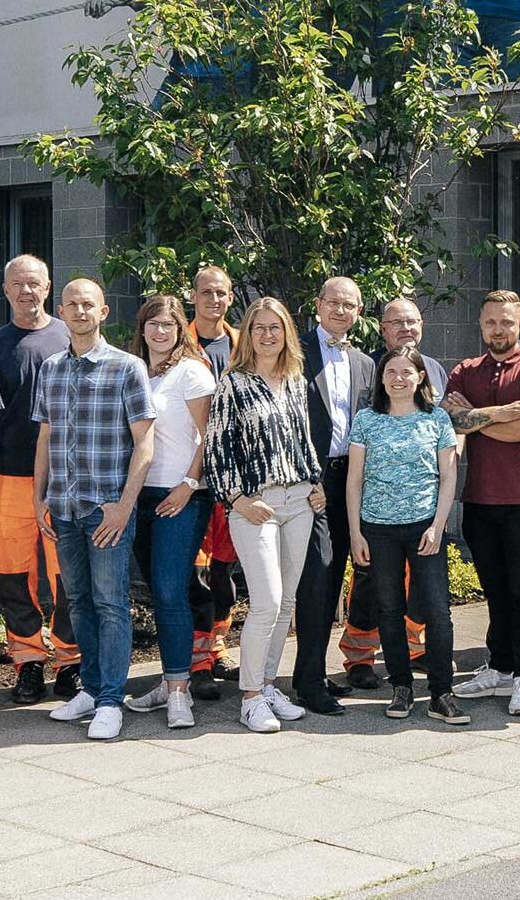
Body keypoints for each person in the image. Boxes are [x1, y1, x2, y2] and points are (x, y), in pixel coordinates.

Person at [33, 279, 158, 741]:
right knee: (78, 602)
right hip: (64, 508)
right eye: (72, 305)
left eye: (89, 304)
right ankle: (89, 688)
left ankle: (110, 700)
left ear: (103, 311)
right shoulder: (50, 369)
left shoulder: (127, 367)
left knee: (110, 604)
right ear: (61, 311)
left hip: (106, 512)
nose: (80, 311)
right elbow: (46, 436)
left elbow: (145, 443)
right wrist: (38, 497)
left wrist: (124, 507)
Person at [206, 298, 328, 733]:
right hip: (255, 506)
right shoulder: (233, 384)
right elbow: (217, 452)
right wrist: (238, 500)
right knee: (267, 602)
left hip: (299, 502)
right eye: (259, 327)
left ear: (286, 333)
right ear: (248, 334)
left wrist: (315, 482)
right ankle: (250, 697)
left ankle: (269, 685)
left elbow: (302, 439)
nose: (267, 335)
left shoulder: (294, 379)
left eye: (275, 327)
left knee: (286, 602)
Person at [442, 291, 520, 716]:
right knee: (494, 590)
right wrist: (503, 412)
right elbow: (452, 420)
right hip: (479, 499)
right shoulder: (465, 370)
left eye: (506, 322)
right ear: (480, 323)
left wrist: (478, 415)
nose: (498, 329)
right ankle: (501, 667)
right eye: (491, 322)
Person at [348, 345, 467, 724]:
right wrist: (356, 533)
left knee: (437, 610)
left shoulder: (437, 419)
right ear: (381, 379)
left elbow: (448, 477)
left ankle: (442, 693)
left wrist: (438, 525)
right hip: (378, 529)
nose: (399, 378)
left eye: (406, 372)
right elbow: (354, 480)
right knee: (389, 609)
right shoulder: (366, 420)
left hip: (425, 527)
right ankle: (401, 687)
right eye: (391, 372)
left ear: (420, 377)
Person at [0, 255, 78, 705]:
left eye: (34, 283)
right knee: (14, 577)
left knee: (68, 576)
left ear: (48, 287)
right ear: (5, 290)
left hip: (66, 480)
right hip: (8, 480)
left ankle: (71, 662)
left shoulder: (70, 338)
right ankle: (28, 662)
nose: (26, 291)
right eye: (17, 284)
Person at [120, 295, 213, 730]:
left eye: (169, 325)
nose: (160, 332)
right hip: (139, 494)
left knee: (171, 590)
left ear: (180, 330)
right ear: (142, 328)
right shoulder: (134, 370)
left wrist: (188, 485)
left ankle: (179, 690)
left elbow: (209, 436)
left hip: (181, 496)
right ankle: (168, 680)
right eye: (153, 324)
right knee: (159, 592)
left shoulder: (191, 372)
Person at [340, 297, 447, 676]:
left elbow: (444, 427)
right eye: (397, 322)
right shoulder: (369, 368)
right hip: (377, 507)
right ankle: (360, 656)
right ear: (382, 328)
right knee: (369, 583)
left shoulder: (434, 369)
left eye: (412, 321)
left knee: (420, 587)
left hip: (421, 505)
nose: (406, 328)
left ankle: (414, 651)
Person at [295, 277, 377, 709]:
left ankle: (316, 673)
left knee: (342, 570)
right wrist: (307, 476)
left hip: (353, 478)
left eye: (350, 305)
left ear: (359, 312)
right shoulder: (295, 351)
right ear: (318, 304)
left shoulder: (364, 362)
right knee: (319, 576)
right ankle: (309, 683)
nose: (341, 311)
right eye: (334, 303)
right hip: (314, 477)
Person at [185, 265, 241, 699]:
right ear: (193, 296)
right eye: (206, 292)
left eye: (221, 293)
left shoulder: (244, 343)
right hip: (193, 476)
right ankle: (197, 662)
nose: (214, 300)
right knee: (197, 573)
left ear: (231, 297)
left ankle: (216, 648)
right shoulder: (178, 344)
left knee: (224, 573)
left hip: (236, 476)